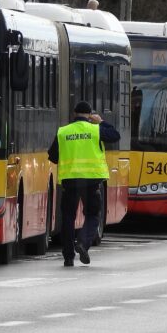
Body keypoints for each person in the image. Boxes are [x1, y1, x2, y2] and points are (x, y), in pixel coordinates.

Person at [47, 101, 120, 266]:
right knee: (93, 214)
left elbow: (52, 155)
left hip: (70, 181)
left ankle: (68, 257)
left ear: (74, 113)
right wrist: (101, 121)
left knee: (67, 218)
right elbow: (115, 135)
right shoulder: (96, 130)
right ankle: (83, 243)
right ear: (90, 115)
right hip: (91, 181)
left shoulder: (63, 132)